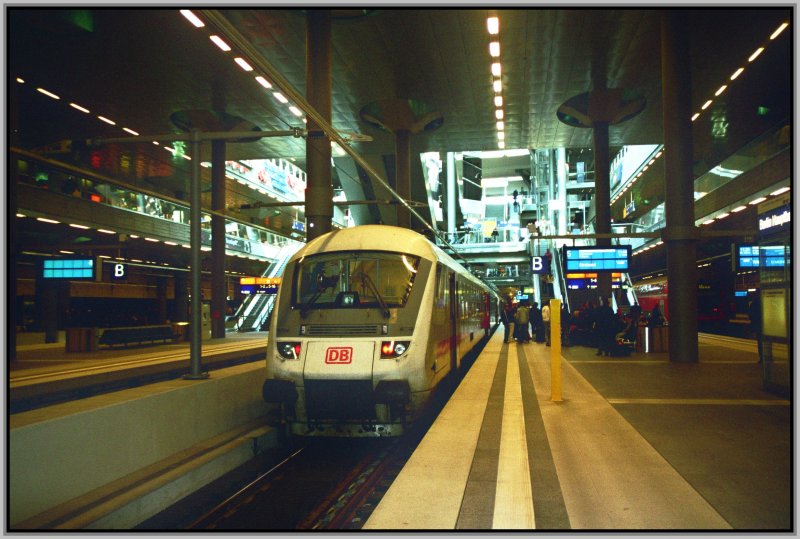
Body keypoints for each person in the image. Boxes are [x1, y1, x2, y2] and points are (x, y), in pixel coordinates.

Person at [748, 294, 763, 364]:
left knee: (760, 341)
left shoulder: (753, 303)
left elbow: (750, 314)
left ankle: (761, 357)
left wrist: (753, 322)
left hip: (758, 324)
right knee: (765, 341)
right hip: (764, 324)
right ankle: (766, 357)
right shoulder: (763, 302)